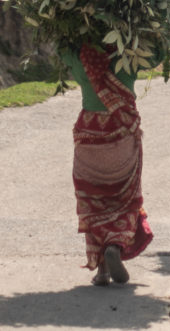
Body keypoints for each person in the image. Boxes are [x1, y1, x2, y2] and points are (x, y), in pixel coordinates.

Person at [61, 43, 153, 285]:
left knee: (92, 202)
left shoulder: (81, 55)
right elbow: (158, 54)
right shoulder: (129, 57)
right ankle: (115, 244)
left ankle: (101, 270)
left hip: (90, 136)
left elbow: (62, 48)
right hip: (121, 134)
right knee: (123, 199)